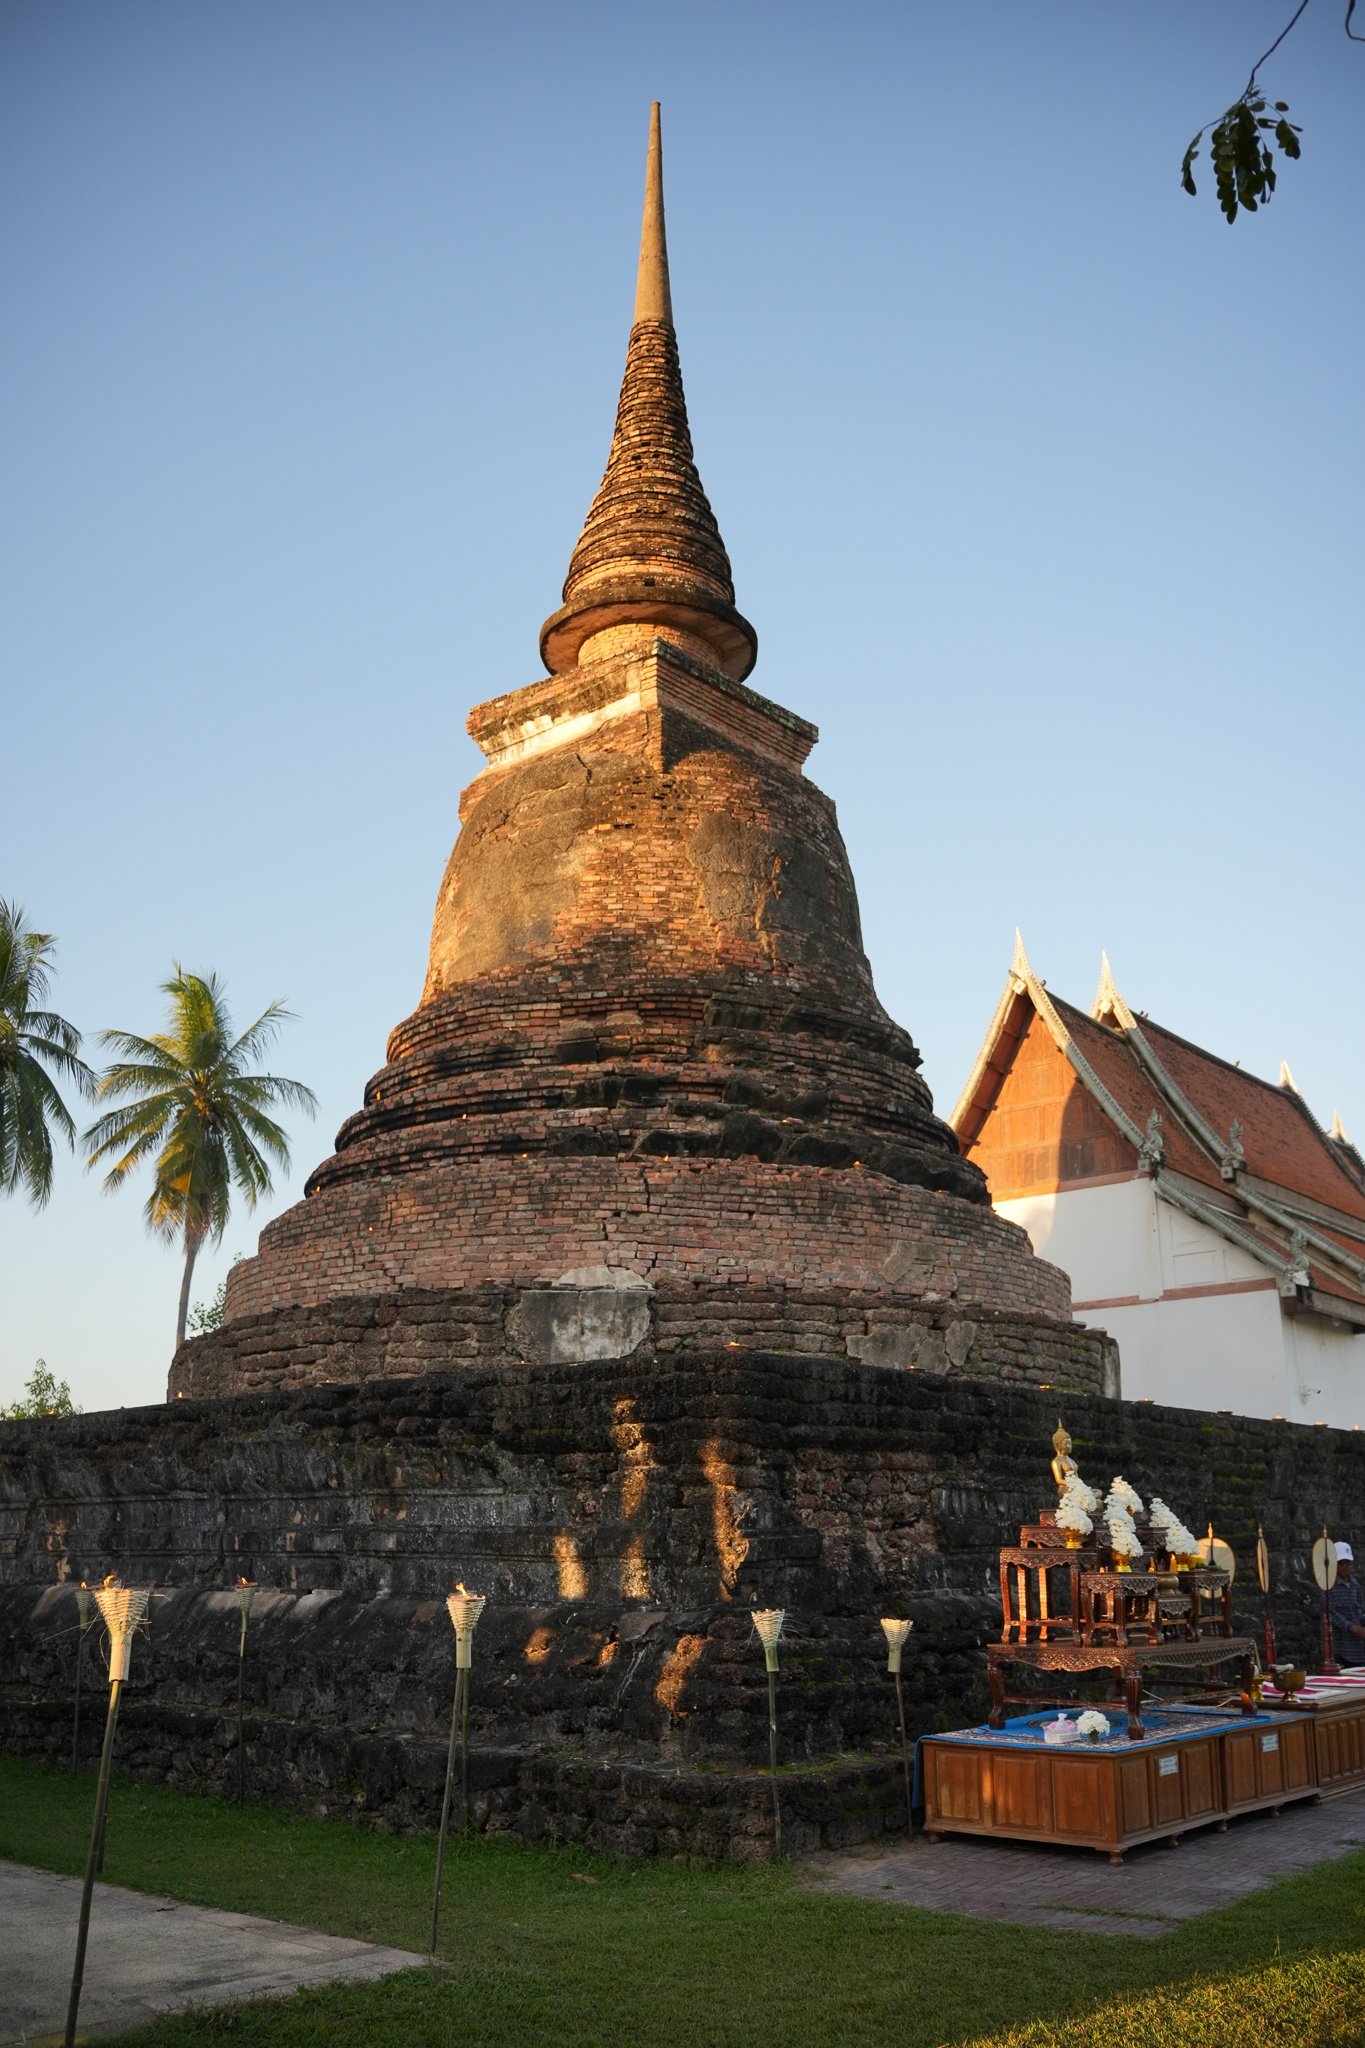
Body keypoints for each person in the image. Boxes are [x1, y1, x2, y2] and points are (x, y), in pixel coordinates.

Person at [1327, 1542, 1365, 1668]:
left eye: (1347, 1563)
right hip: (1338, 1648)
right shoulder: (1327, 1586)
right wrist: (1353, 1628)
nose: (1344, 1566)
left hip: (1356, 1648)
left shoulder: (1355, 1585)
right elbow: (1329, 1613)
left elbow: (1359, 1611)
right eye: (1341, 1563)